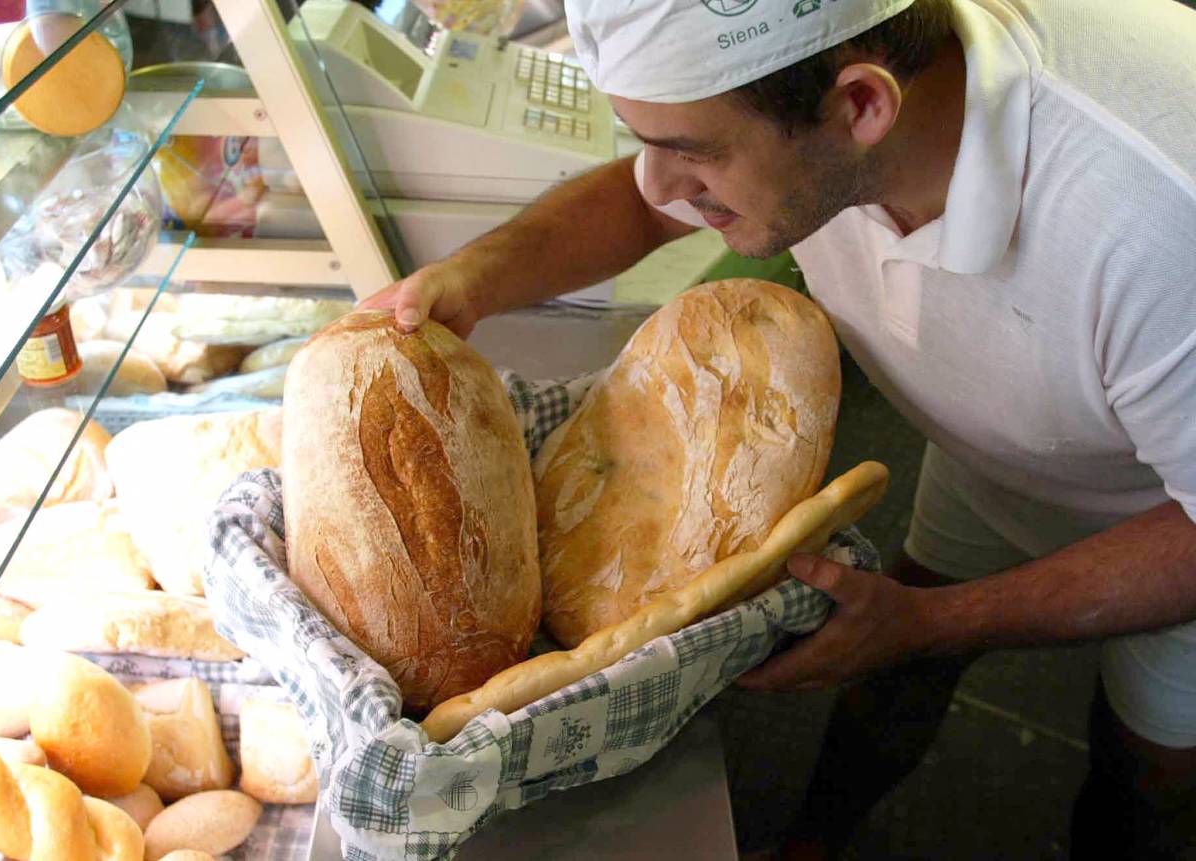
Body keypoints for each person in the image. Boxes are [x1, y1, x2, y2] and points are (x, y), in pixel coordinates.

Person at [360, 0, 1196, 856]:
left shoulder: (1157, 226)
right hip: (1015, 440)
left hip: (1163, 518)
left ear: (861, 106)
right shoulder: (822, 120)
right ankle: (816, 841)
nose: (656, 183)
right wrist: (475, 280)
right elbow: (647, 207)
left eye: (689, 153)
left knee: (1151, 767)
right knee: (894, 667)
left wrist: (937, 618)